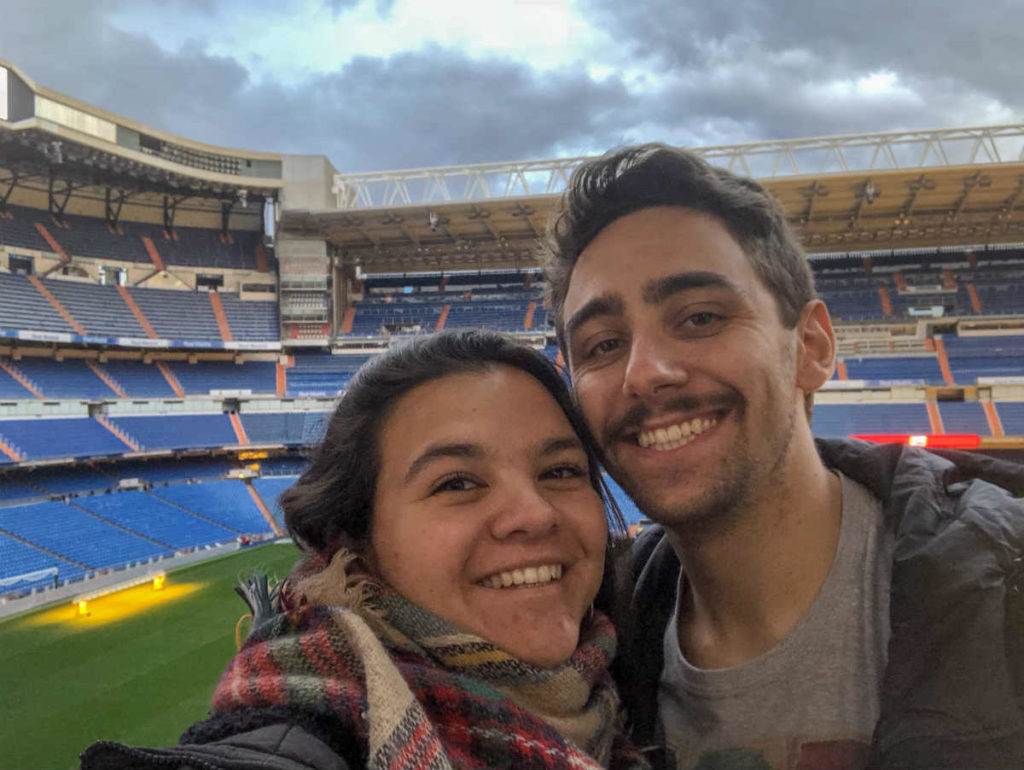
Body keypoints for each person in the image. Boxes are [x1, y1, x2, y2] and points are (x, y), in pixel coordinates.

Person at [542, 143, 1024, 769]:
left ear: (813, 347)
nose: (645, 373)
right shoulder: (580, 659)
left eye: (699, 318)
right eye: (603, 344)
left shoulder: (1005, 587)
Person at [81, 330, 647, 770]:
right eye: (456, 483)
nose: (536, 513)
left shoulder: (635, 690)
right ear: (353, 539)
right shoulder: (297, 743)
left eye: (561, 470)